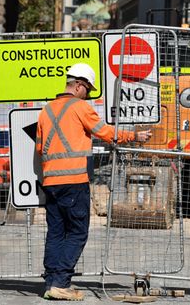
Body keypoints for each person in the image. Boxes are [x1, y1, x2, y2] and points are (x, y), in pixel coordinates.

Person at [36, 63, 152, 301]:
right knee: (78, 232)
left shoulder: (46, 110)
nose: (87, 94)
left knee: (56, 232)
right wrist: (134, 137)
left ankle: (51, 283)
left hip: (50, 181)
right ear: (78, 85)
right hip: (73, 180)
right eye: (87, 89)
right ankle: (60, 282)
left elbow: (39, 148)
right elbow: (106, 132)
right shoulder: (80, 107)